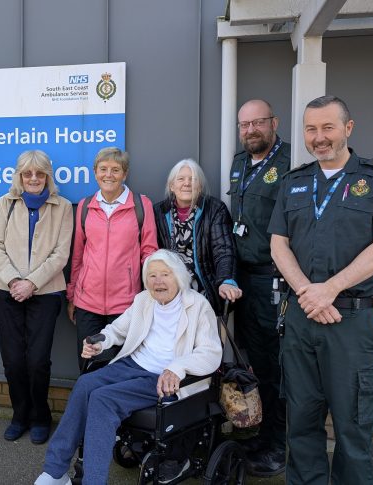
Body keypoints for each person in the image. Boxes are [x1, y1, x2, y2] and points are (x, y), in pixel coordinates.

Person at [269, 95, 373, 484]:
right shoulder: (294, 182)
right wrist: (308, 292)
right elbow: (278, 244)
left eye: (328, 127)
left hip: (350, 320)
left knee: (353, 429)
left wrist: (329, 290)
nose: (319, 137)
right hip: (301, 318)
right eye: (311, 129)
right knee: (300, 425)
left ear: (348, 129)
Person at [34, 249, 223, 485]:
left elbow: (211, 353)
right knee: (84, 384)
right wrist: (99, 343)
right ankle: (55, 472)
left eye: (165, 274)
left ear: (179, 277)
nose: (158, 282)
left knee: (103, 399)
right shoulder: (144, 300)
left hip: (162, 376)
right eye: (152, 276)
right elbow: (117, 330)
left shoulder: (197, 306)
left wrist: (178, 367)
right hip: (133, 364)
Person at [0, 150, 73, 445]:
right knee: (12, 361)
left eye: (39, 174)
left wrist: (31, 283)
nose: (33, 179)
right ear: (19, 176)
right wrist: (13, 280)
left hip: (45, 293)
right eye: (27, 174)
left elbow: (61, 254)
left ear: (47, 176)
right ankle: (19, 415)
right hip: (6, 291)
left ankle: (40, 417)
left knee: (37, 361)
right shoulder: (5, 203)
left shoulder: (62, 207)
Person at [228, 99, 290, 475]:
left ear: (273, 123)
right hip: (244, 278)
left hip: (273, 278)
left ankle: (278, 445)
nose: (251, 130)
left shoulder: (289, 165)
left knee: (276, 364)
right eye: (244, 124)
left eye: (257, 123)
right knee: (255, 361)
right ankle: (262, 435)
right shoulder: (239, 163)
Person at [67, 147, 157, 368]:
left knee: (117, 368)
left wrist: (151, 295)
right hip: (88, 304)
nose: (109, 175)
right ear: (95, 173)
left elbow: (150, 251)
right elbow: (77, 255)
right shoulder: (85, 206)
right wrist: (72, 297)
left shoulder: (140, 205)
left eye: (116, 170)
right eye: (103, 169)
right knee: (88, 366)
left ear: (124, 174)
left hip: (125, 304)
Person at [154, 159, 242, 313]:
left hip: (205, 289)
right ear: (171, 186)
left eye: (193, 179)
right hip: (170, 291)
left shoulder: (215, 209)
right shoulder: (158, 212)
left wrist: (226, 280)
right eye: (181, 179)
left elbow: (224, 250)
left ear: (200, 186)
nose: (187, 183)